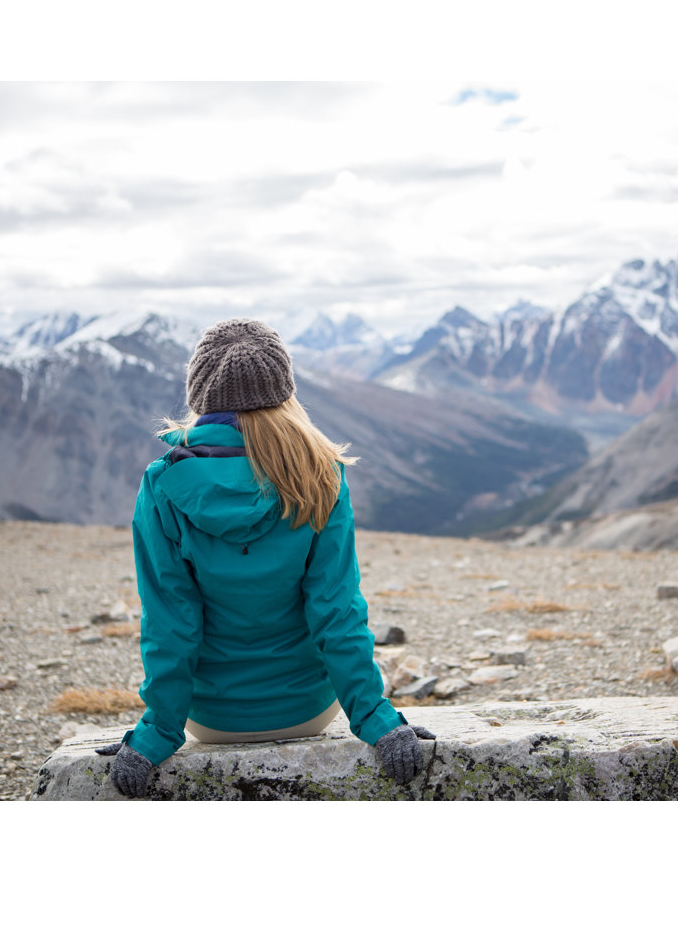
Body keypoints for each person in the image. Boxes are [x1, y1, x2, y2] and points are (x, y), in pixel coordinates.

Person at [97, 317, 435, 798]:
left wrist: (156, 734)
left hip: (208, 718)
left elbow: (169, 621)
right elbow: (336, 612)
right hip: (309, 710)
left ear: (201, 395)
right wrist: (378, 721)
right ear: (284, 391)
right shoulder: (322, 475)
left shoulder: (161, 484)